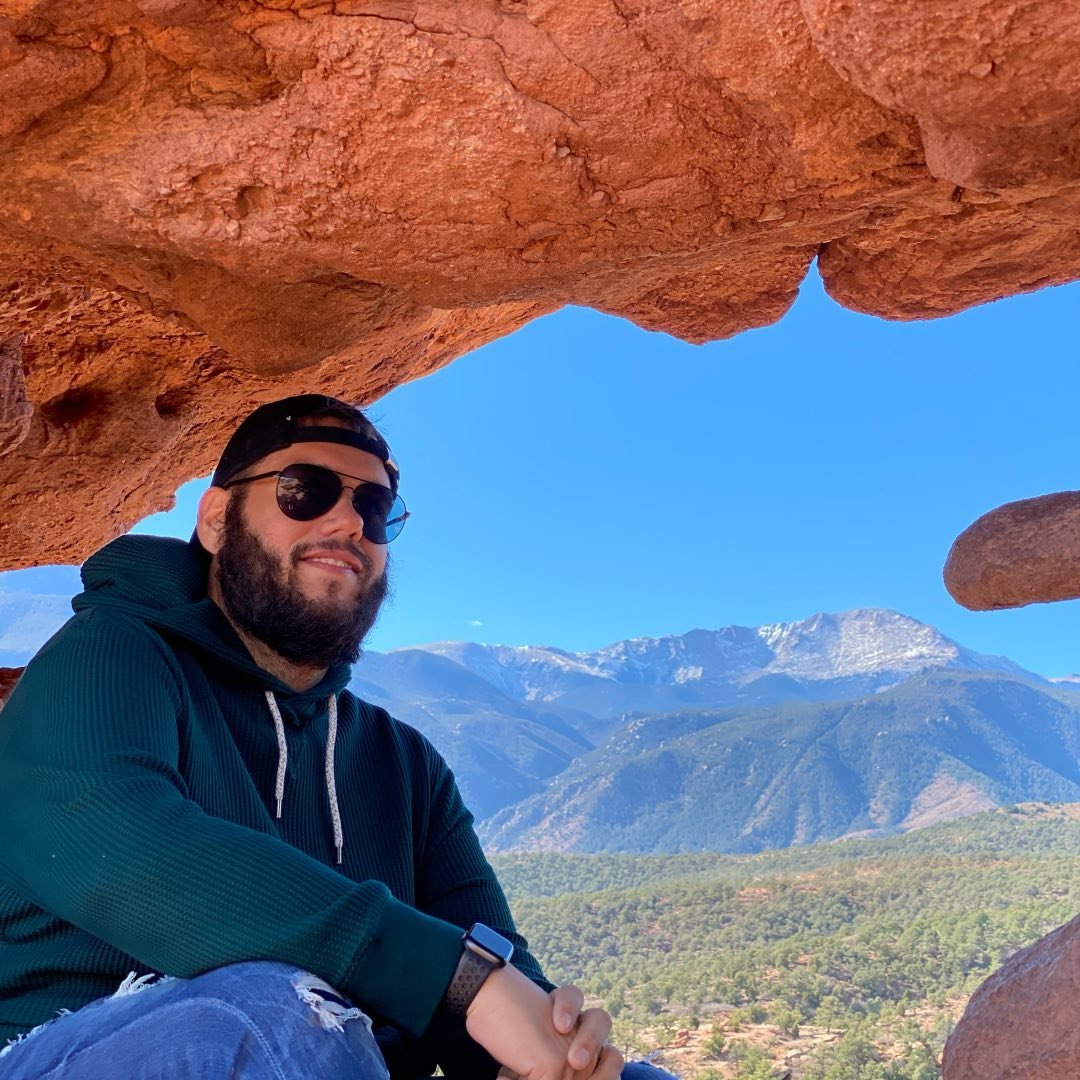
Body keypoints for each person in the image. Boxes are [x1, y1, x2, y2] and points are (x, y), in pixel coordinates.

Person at [0, 395, 677, 1080]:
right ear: (214, 520)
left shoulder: (401, 762)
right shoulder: (107, 659)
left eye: (376, 509)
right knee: (271, 1019)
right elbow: (115, 842)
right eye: (305, 491)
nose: (350, 520)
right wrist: (451, 975)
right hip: (72, 1051)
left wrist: (549, 1050)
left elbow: (491, 973)